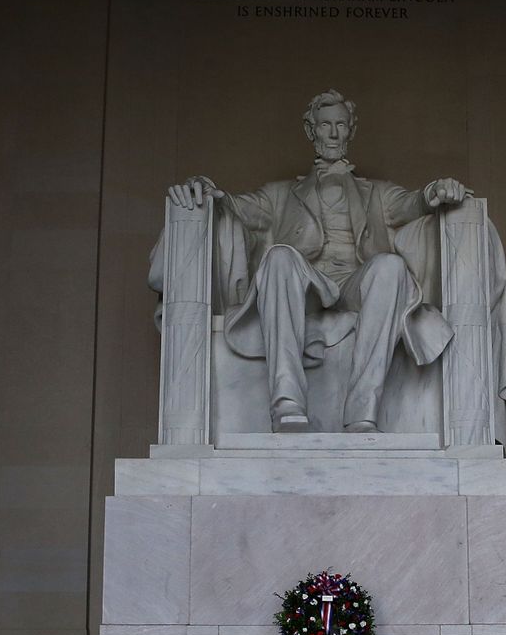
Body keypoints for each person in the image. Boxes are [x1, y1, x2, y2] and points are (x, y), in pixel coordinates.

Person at [162, 89, 475, 434]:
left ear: (351, 130)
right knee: (279, 256)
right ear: (311, 131)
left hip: (357, 285)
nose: (334, 133)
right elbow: (234, 205)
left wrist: (437, 190)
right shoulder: (280, 194)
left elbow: (415, 202)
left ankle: (362, 410)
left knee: (391, 266)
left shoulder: (379, 193)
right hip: (308, 284)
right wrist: (204, 189)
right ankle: (287, 403)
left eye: (341, 125)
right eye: (325, 125)